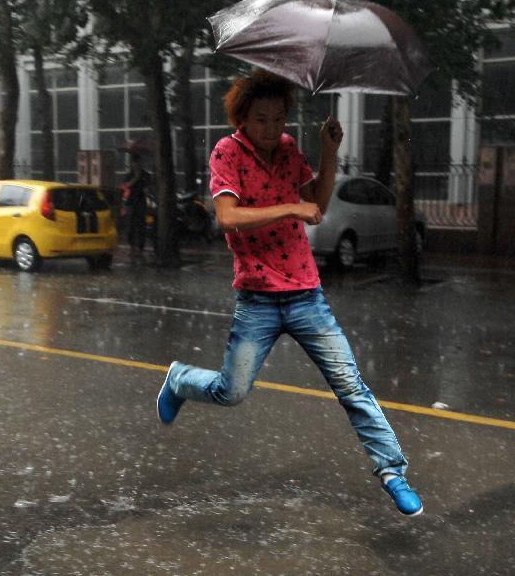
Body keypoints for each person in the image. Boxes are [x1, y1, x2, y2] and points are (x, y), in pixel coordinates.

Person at [155, 70, 423, 516]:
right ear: (243, 117)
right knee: (231, 392)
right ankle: (180, 379)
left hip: (305, 295)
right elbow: (227, 217)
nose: (271, 128)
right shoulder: (227, 152)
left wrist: (329, 152)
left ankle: (392, 472)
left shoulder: (287, 150)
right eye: (262, 119)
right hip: (257, 300)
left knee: (351, 387)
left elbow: (317, 203)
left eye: (279, 119)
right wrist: (290, 208)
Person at [120, 153, 149, 255]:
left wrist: (146, 190)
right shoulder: (129, 175)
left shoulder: (145, 175)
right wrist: (135, 178)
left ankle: (140, 248)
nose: (137, 165)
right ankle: (132, 247)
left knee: (141, 226)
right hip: (131, 203)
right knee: (131, 226)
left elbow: (148, 188)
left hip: (141, 203)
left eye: (139, 163)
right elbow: (124, 186)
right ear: (132, 164)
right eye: (135, 163)